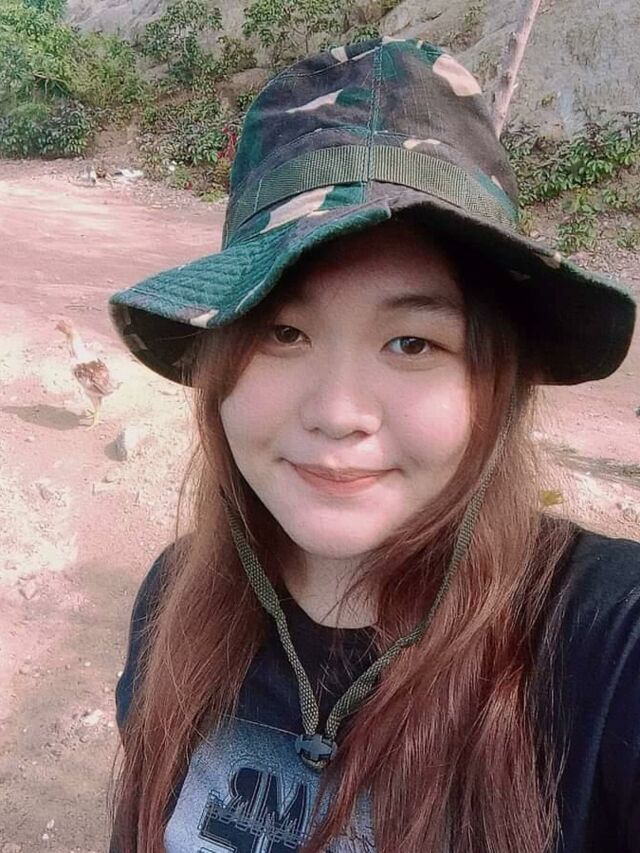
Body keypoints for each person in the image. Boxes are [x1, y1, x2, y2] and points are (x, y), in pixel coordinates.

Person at [106, 37, 639, 853]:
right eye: (283, 332)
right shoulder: (176, 600)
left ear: (495, 382)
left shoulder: (608, 641)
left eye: (412, 342)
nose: (337, 413)